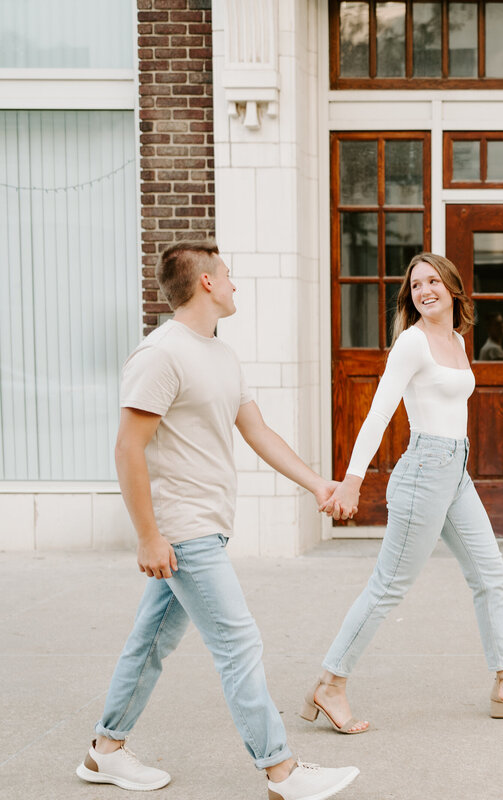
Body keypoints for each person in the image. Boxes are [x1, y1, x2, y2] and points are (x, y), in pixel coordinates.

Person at [78, 240, 359, 800]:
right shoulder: (160, 354)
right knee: (239, 643)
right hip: (182, 528)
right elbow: (127, 449)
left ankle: (105, 751)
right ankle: (279, 770)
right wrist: (149, 536)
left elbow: (256, 431)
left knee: (150, 642)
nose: (234, 284)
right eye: (227, 274)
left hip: (206, 524)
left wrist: (317, 484)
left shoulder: (221, 354)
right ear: (205, 282)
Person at [306, 252, 503, 735]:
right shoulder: (412, 344)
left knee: (490, 575)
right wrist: (353, 479)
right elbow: (380, 413)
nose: (425, 290)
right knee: (388, 585)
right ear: (410, 296)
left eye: (433, 281)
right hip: (422, 472)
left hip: (455, 471)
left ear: (453, 288)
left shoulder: (459, 340)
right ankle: (330, 684)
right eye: (416, 284)